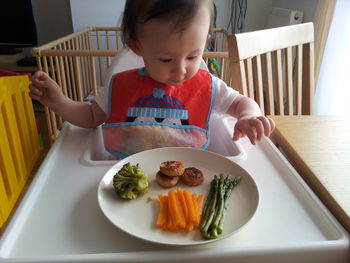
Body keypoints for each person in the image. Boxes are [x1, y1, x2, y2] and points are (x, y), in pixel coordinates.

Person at [30, 0, 275, 159]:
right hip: (129, 174)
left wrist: (248, 116)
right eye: (166, 60)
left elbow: (241, 102)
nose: (181, 71)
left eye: (193, 56)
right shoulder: (122, 86)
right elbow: (92, 117)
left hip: (189, 175)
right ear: (137, 46)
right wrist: (60, 102)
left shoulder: (206, 85)